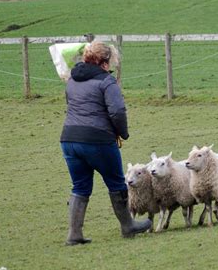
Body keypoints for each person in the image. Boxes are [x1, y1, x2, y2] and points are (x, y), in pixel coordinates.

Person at [60, 41, 151, 246]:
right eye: (110, 60)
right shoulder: (106, 82)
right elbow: (117, 111)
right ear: (103, 62)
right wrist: (123, 133)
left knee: (80, 186)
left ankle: (74, 234)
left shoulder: (72, 80)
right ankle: (128, 226)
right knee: (116, 183)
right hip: (98, 140)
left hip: (69, 139)